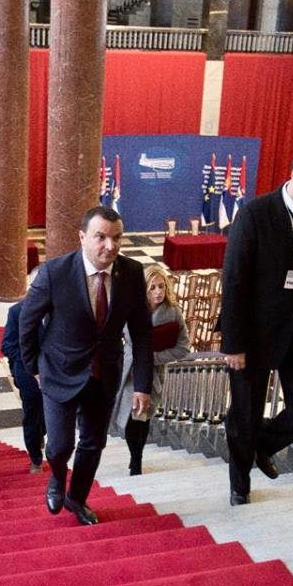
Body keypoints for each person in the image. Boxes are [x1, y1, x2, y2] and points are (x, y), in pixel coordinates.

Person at [20, 206, 153, 525]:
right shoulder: (54, 273)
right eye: (101, 237)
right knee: (60, 445)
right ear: (82, 237)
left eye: (117, 238)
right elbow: (27, 322)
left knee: (94, 443)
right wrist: (33, 367)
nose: (110, 245)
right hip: (59, 371)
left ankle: (76, 498)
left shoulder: (132, 273)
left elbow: (142, 334)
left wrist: (142, 385)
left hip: (104, 374)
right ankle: (57, 477)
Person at [220, 145, 293, 506]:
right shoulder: (254, 214)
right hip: (253, 334)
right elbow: (234, 280)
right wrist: (233, 343)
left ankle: (262, 444)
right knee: (246, 414)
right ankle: (240, 484)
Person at [110, 264, 190, 475]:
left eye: (161, 286)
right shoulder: (132, 308)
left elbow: (183, 348)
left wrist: (153, 357)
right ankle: (134, 455)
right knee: (129, 418)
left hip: (153, 374)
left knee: (141, 418)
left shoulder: (173, 313)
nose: (158, 292)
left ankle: (137, 459)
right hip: (129, 371)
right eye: (152, 287)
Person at [1, 299, 46, 473]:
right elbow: (7, 346)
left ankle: (41, 432)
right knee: (33, 417)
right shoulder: (17, 312)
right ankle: (35, 458)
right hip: (29, 376)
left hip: (56, 375)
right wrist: (32, 363)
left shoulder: (62, 307)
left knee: (49, 417)